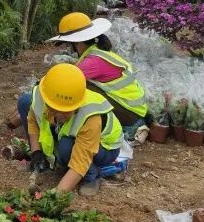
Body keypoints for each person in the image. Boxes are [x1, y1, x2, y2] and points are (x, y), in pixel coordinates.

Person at [17, 12, 148, 140]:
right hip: (132, 110)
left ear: (76, 43)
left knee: (77, 87)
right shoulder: (97, 53)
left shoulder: (92, 62)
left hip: (129, 114)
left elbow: (60, 82)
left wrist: (35, 96)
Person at [26, 63, 123, 196]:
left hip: (105, 148)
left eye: (65, 111)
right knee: (24, 102)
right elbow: (32, 120)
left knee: (66, 147)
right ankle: (64, 163)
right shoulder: (44, 93)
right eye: (54, 109)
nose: (59, 114)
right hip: (70, 136)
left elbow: (80, 162)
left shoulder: (90, 116)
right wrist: (36, 152)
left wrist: (55, 195)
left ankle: (92, 176)